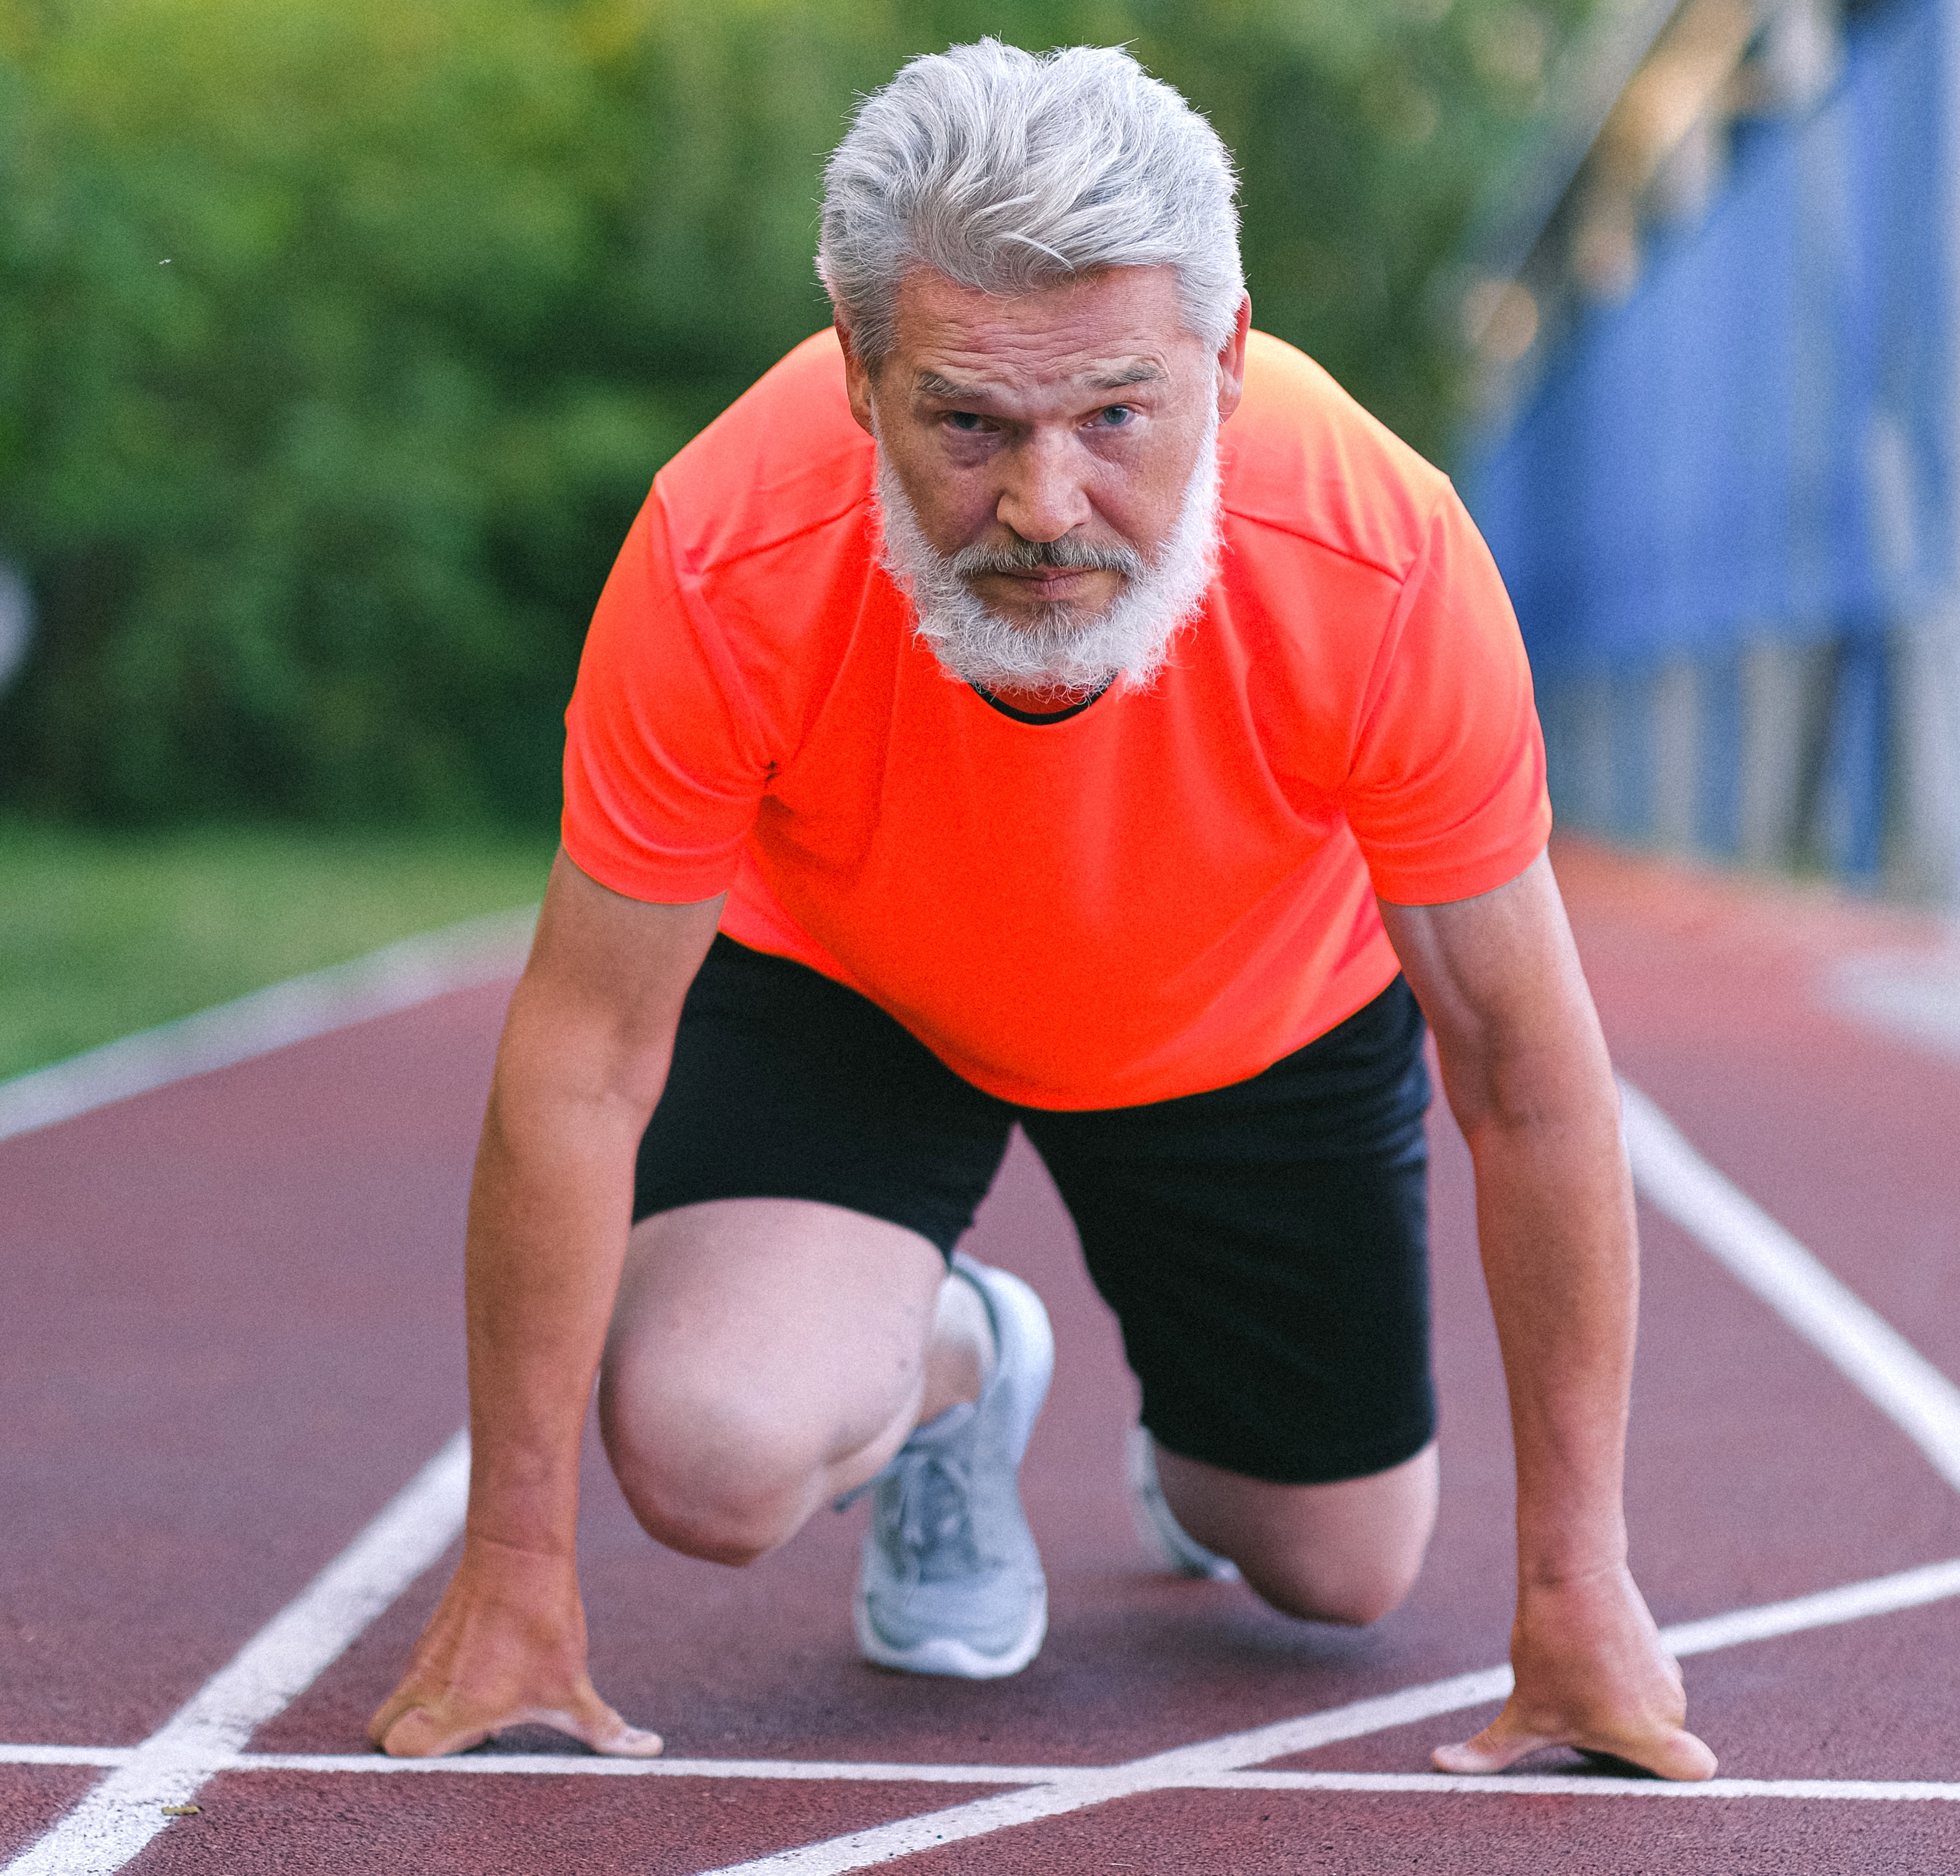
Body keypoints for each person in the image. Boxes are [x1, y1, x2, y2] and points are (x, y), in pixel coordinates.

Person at [370, 39, 1716, 1781]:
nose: (1044, 506)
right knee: (707, 1455)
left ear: (1224, 365)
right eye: (968, 423)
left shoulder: (1383, 558)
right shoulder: (723, 550)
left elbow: (1527, 1077)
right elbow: (579, 1060)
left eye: (1117, 417)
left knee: (1337, 1568)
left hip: (1253, 1009)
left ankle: (1203, 1433)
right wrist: (513, 1575)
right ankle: (960, 1363)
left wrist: (1577, 1582)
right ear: (860, 375)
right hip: (856, 981)